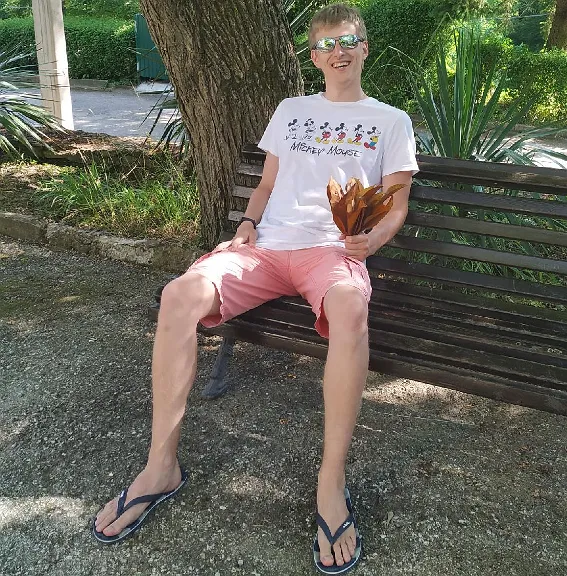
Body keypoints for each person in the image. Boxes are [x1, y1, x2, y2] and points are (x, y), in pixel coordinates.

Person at [93, 3, 418, 573]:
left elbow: (395, 204)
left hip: (331, 252)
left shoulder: (390, 121)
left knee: (349, 307)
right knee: (178, 296)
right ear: (314, 56)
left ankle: (331, 483)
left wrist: (374, 239)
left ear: (364, 47)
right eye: (326, 44)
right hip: (265, 248)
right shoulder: (292, 110)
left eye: (348, 40)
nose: (338, 52)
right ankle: (161, 466)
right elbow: (267, 184)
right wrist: (246, 224)